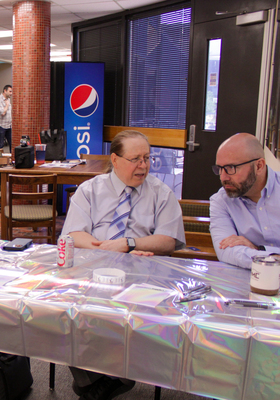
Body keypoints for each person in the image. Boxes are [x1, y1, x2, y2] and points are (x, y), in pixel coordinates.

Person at [62, 130, 185, 400]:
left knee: (136, 316)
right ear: (115, 160)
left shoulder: (161, 193)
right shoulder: (90, 190)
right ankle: (104, 378)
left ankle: (112, 375)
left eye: (147, 158)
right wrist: (108, 249)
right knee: (65, 309)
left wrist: (129, 244)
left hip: (144, 273)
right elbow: (74, 234)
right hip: (94, 269)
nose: (143, 165)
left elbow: (168, 241)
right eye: (135, 159)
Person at [209, 133, 280, 269]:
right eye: (220, 169)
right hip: (250, 278)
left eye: (231, 168)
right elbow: (225, 251)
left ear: (259, 166)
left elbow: (240, 254)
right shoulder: (221, 201)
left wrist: (258, 249)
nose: (223, 177)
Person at [0, 85, 12, 150]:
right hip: (0, 126)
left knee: (12, 143)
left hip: (8, 126)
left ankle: (12, 156)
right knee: (1, 145)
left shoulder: (8, 99)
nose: (11, 93)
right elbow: (2, 113)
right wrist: (7, 105)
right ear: (5, 91)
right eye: (10, 91)